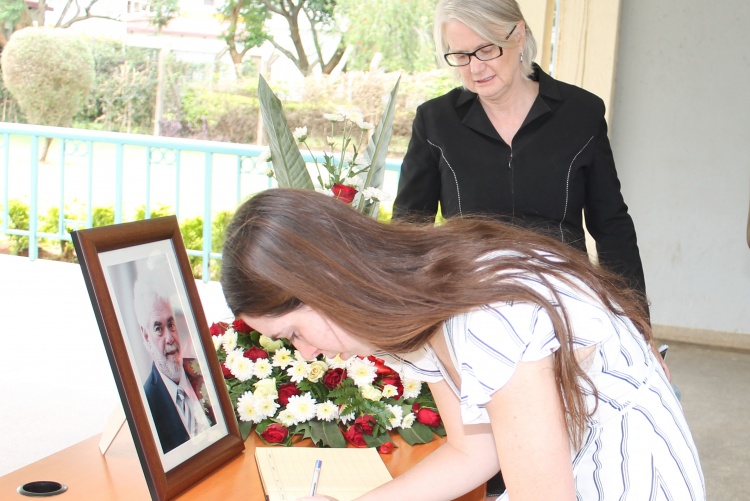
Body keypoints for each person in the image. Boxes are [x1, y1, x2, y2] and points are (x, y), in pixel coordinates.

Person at [220, 189, 704, 501]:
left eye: (293, 334)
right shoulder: (421, 294)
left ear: (325, 283)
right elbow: (475, 451)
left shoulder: (483, 319)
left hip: (626, 478)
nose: (303, 353)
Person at [393, 0, 647, 303]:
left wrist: (635, 321)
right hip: (470, 301)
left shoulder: (582, 113)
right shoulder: (435, 121)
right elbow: (408, 230)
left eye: (487, 49)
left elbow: (611, 225)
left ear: (519, 36)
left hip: (564, 301)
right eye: (461, 56)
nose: (475, 68)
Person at [134, 279, 214, 454]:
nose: (170, 338)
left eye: (171, 325)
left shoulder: (205, 371)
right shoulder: (147, 405)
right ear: (146, 336)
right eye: (159, 329)